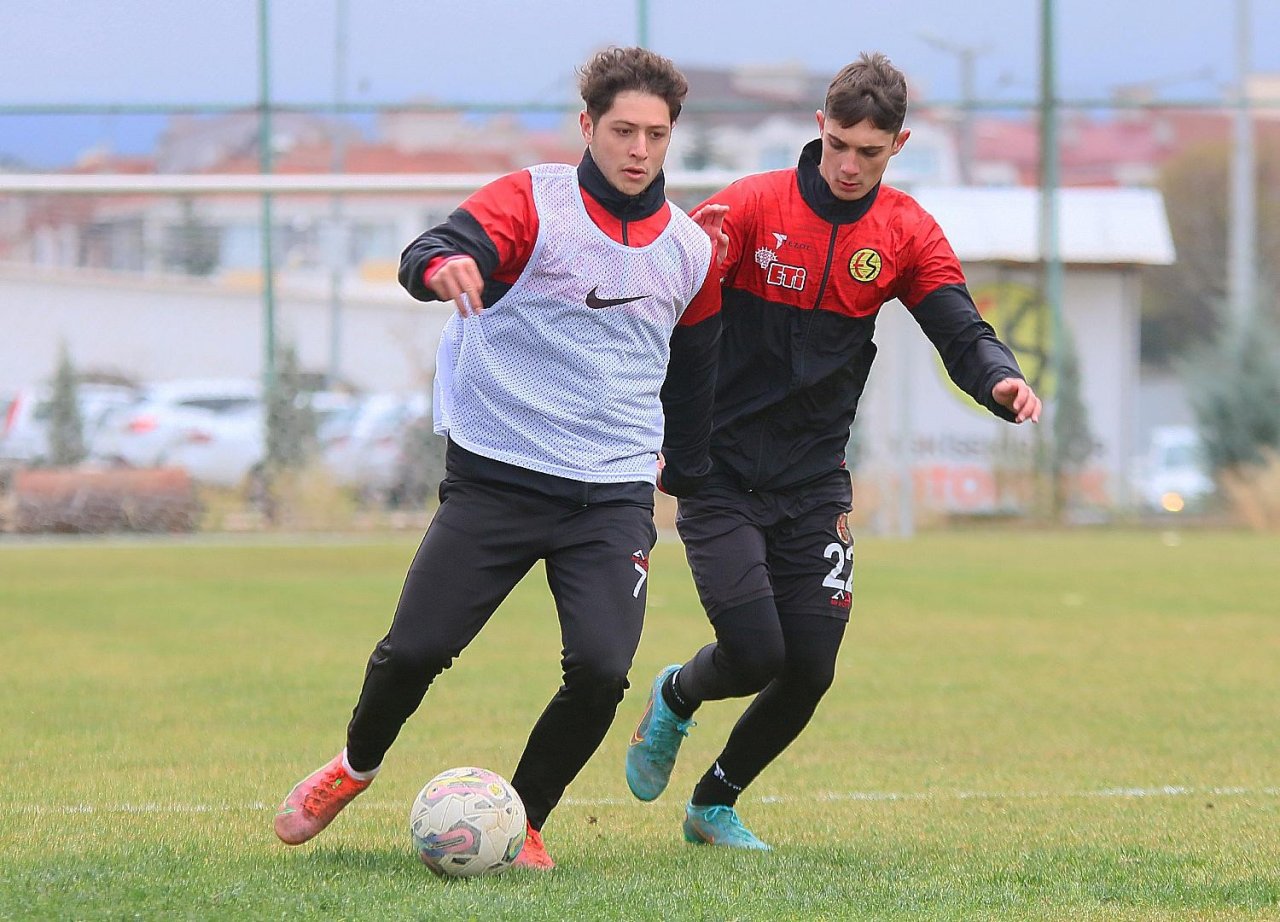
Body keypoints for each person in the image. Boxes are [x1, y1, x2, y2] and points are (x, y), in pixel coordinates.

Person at [272, 46, 724, 871]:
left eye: (656, 135)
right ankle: (352, 768)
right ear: (587, 125)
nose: (638, 150)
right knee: (414, 650)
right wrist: (445, 267)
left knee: (601, 669)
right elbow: (434, 248)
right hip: (498, 476)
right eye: (622, 130)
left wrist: (688, 473)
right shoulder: (533, 201)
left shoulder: (690, 250)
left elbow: (695, 376)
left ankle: (527, 821)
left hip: (611, 492)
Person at [624, 51, 1042, 850]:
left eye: (869, 152)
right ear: (820, 127)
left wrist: (1001, 378)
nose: (849, 166)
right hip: (717, 472)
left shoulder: (905, 232)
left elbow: (961, 330)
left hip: (814, 479)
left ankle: (714, 804)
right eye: (839, 145)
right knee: (755, 652)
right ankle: (676, 696)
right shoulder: (750, 206)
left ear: (899, 144)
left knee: (810, 667)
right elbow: (659, 303)